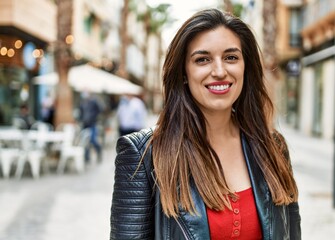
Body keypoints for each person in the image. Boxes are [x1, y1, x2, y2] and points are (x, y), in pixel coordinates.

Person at [110, 8, 301, 240]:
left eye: (231, 57)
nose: (219, 71)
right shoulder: (144, 155)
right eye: (202, 59)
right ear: (183, 73)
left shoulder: (274, 147)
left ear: (245, 67)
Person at [79, 91, 102, 163]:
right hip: (85, 124)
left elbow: (100, 109)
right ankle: (87, 157)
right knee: (85, 141)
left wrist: (94, 117)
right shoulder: (82, 103)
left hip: (92, 123)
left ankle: (99, 151)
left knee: (93, 140)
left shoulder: (93, 102)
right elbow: (81, 113)